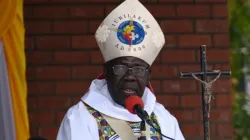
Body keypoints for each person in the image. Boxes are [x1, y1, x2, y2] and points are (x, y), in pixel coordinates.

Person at [57, 0, 185, 139]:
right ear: (106, 72)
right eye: (121, 68)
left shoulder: (162, 118)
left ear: (148, 76)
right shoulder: (81, 118)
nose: (130, 76)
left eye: (138, 69)